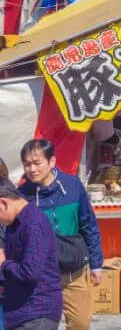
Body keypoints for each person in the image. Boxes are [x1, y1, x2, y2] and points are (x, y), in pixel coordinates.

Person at [19, 139, 102, 330]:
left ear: (52, 162)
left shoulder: (72, 186)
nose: (31, 169)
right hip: (41, 279)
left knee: (80, 324)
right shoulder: (22, 195)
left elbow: (89, 225)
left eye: (37, 163)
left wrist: (97, 264)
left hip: (75, 272)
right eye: (27, 164)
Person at [0, 178, 63, 330]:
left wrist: (3, 264)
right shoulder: (14, 224)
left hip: (37, 311)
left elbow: (30, 271)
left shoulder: (33, 222)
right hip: (19, 310)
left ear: (3, 203)